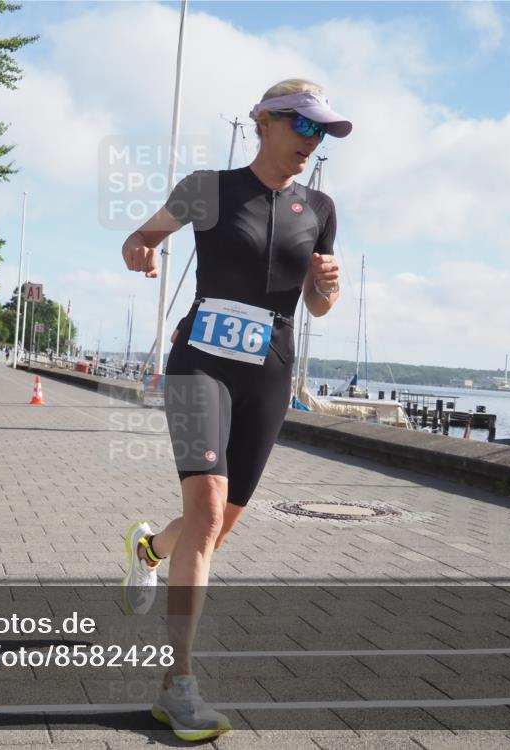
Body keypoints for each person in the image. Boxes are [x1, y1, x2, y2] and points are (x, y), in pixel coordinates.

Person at [119, 79, 350, 741]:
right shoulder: (207, 189)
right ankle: (178, 686)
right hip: (201, 363)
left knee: (214, 528)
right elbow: (140, 238)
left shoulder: (320, 207)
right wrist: (141, 251)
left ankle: (149, 548)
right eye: (303, 126)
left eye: (322, 131)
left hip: (269, 372)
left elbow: (317, 306)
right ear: (264, 121)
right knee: (208, 509)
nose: (313, 141)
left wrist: (327, 289)